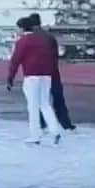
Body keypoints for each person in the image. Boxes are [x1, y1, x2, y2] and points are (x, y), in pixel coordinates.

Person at [7, 17, 63, 145]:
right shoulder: (42, 40)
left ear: (22, 28)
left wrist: (10, 78)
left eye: (17, 27)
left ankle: (35, 135)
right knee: (45, 104)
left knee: (33, 106)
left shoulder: (23, 41)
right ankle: (55, 131)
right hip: (46, 75)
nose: (16, 30)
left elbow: (15, 60)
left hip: (32, 76)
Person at [27, 13, 75, 131]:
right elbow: (55, 55)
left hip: (37, 72)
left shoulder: (30, 38)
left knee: (39, 99)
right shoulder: (49, 37)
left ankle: (42, 123)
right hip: (52, 70)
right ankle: (66, 123)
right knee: (58, 98)